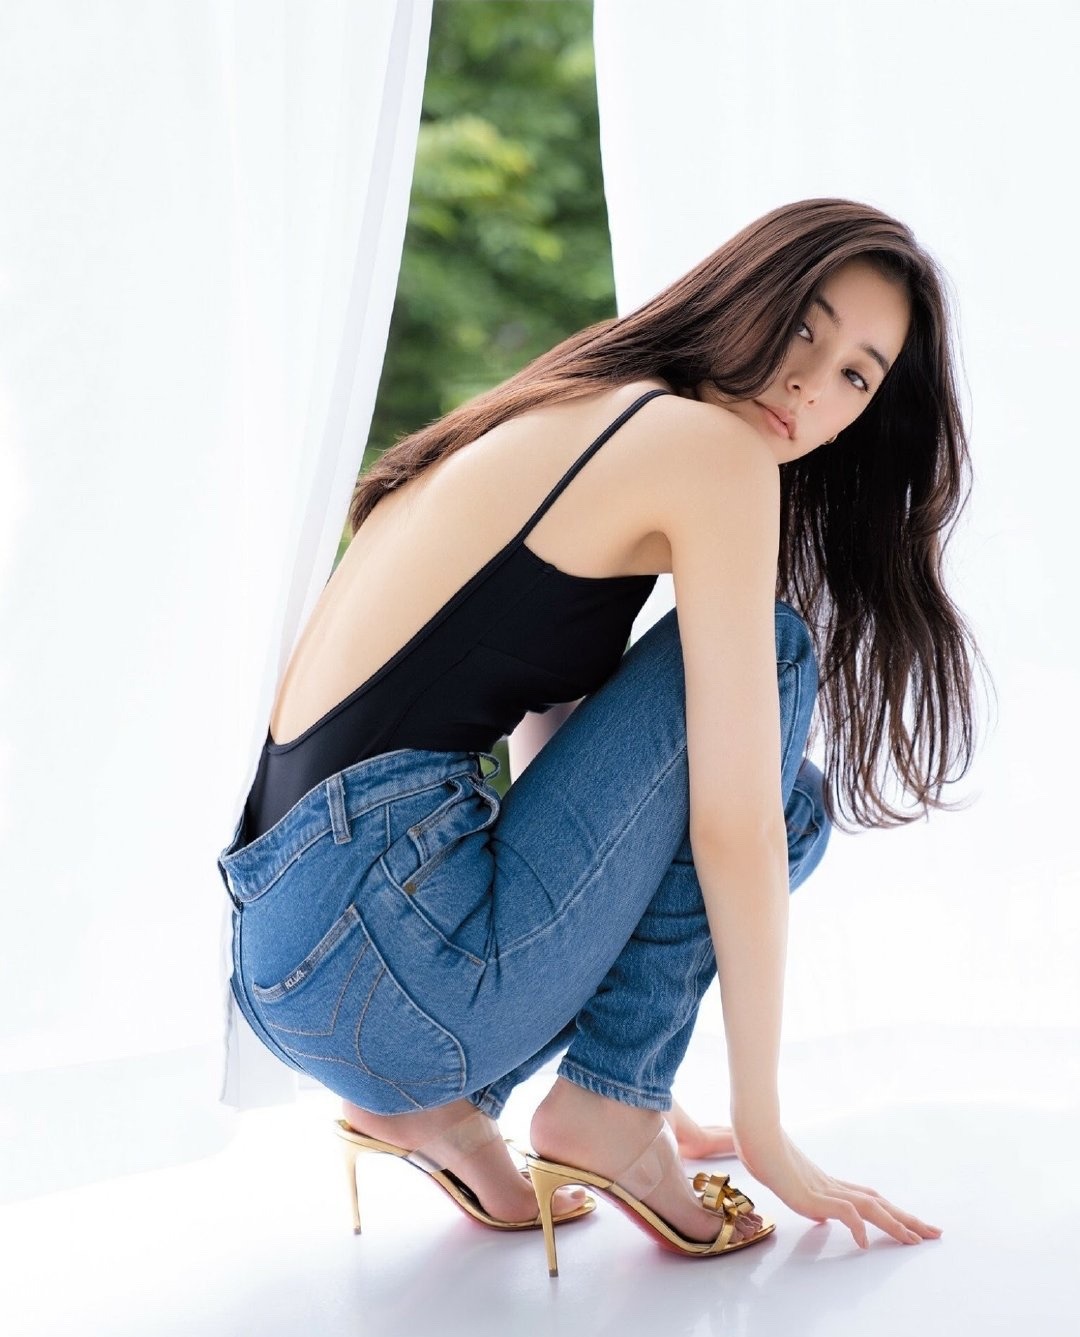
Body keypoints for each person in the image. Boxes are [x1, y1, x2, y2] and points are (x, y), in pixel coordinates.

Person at [216, 197, 977, 1275]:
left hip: (290, 954)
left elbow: (567, 766)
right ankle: (606, 1114)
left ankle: (434, 1110)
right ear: (745, 292)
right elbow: (733, 829)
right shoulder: (711, 452)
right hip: (392, 956)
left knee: (792, 798)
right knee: (778, 675)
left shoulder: (586, 403)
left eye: (858, 374)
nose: (812, 383)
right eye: (804, 325)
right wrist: (765, 1132)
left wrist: (632, 1043)